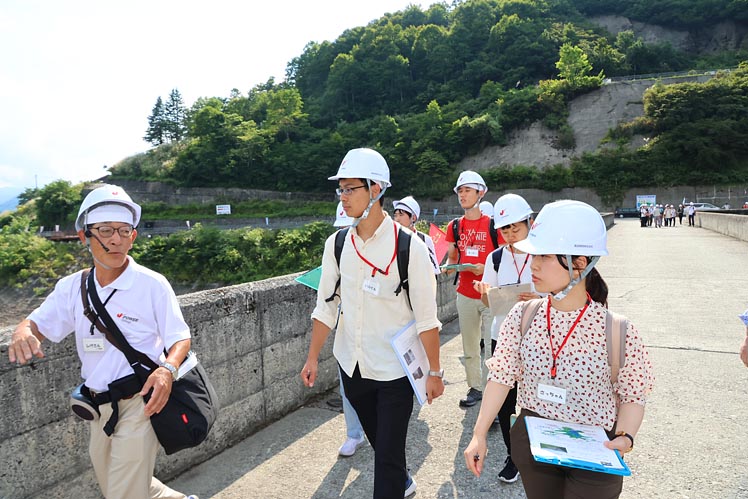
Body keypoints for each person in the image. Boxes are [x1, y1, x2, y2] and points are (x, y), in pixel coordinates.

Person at [7, 185, 198, 499]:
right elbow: (37, 323)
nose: (116, 239)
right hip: (99, 407)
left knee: (123, 493)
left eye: (125, 231)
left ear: (133, 236)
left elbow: (180, 337)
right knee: (122, 484)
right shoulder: (72, 287)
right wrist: (22, 332)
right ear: (84, 236)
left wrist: (167, 369)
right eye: (106, 230)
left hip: (142, 402)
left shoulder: (151, 284)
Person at [464, 200, 654, 499]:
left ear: (579, 262)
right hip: (533, 444)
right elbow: (501, 378)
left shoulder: (617, 329)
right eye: (534, 254)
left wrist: (626, 437)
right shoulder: (523, 315)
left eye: (545, 255)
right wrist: (479, 434)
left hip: (595, 454)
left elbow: (633, 394)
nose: (533, 264)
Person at [301, 148, 444, 498]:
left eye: (351, 189)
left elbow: (427, 319)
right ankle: (402, 479)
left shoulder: (408, 246)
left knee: (387, 461)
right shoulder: (336, 244)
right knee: (382, 446)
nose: (343, 197)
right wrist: (312, 357)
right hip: (352, 367)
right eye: (341, 189)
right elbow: (326, 306)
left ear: (376, 189)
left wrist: (436, 373)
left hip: (394, 373)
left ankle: (396, 482)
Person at [472, 193, 539, 484]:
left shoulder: (544, 254)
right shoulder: (496, 258)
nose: (511, 234)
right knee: (503, 402)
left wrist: (538, 298)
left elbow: (561, 294)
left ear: (530, 223)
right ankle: (514, 457)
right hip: (503, 336)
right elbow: (490, 304)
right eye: (505, 229)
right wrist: (487, 294)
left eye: (516, 227)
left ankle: (539, 456)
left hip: (539, 338)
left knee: (537, 401)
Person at [445, 171, 500, 408]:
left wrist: (484, 267)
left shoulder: (494, 225)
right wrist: (450, 266)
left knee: (492, 346)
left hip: (490, 294)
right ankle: (475, 387)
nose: (463, 195)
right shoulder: (455, 226)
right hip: (465, 293)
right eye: (460, 190)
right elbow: (452, 257)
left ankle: (492, 392)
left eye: (468, 190)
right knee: (470, 346)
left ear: (481, 193)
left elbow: (504, 257)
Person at [331, 201, 367, 457]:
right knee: (347, 386)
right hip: (346, 329)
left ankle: (375, 430)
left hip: (376, 330)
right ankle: (354, 434)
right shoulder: (337, 246)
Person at [392, 195, 441, 274]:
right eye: (395, 215)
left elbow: (434, 269)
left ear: (413, 218)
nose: (397, 219)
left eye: (401, 215)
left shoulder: (424, 239)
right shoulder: (391, 238)